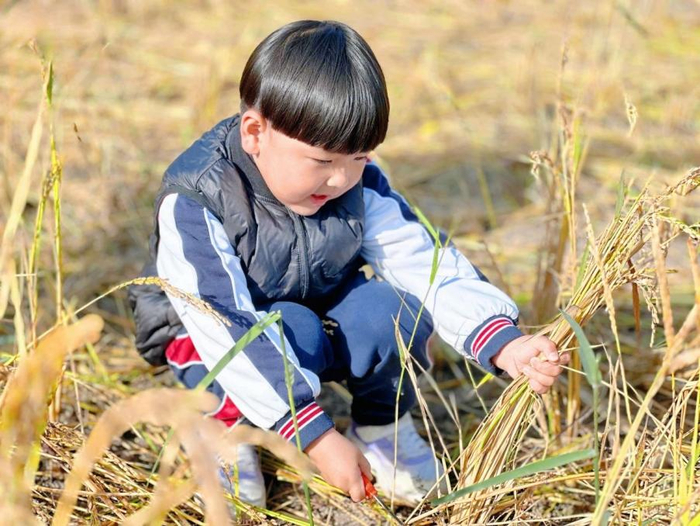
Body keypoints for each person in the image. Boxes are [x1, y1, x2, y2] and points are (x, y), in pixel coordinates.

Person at [128, 19, 570, 509]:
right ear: (255, 132)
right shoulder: (198, 199)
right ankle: (225, 433)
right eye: (321, 161)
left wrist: (502, 340)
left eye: (358, 157)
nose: (340, 180)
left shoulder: (357, 185)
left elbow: (424, 263)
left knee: (390, 311)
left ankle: (382, 431)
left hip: (302, 316)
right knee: (289, 326)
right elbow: (220, 323)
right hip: (213, 340)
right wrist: (314, 435)